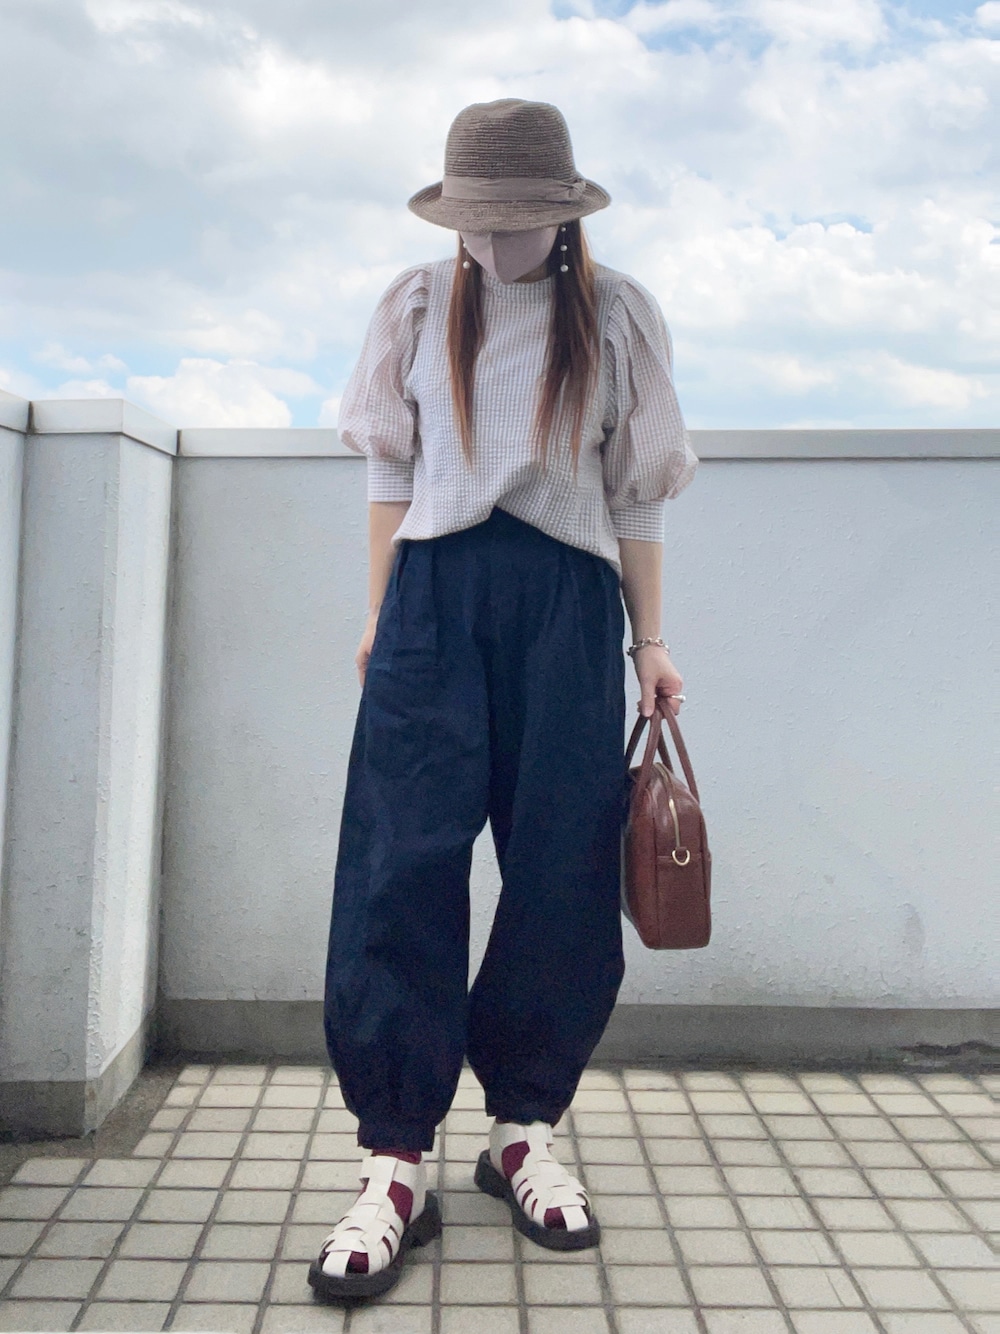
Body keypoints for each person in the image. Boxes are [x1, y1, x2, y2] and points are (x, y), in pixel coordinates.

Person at [308, 98, 698, 1302]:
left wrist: (648, 641)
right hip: (431, 600)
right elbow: (390, 468)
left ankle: (523, 1127)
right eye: (475, 219)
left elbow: (635, 492)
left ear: (564, 215)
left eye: (517, 218)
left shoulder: (615, 312)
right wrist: (379, 613)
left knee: (561, 868)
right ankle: (394, 1154)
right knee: (399, 863)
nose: (492, 239)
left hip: (567, 606)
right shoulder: (417, 303)